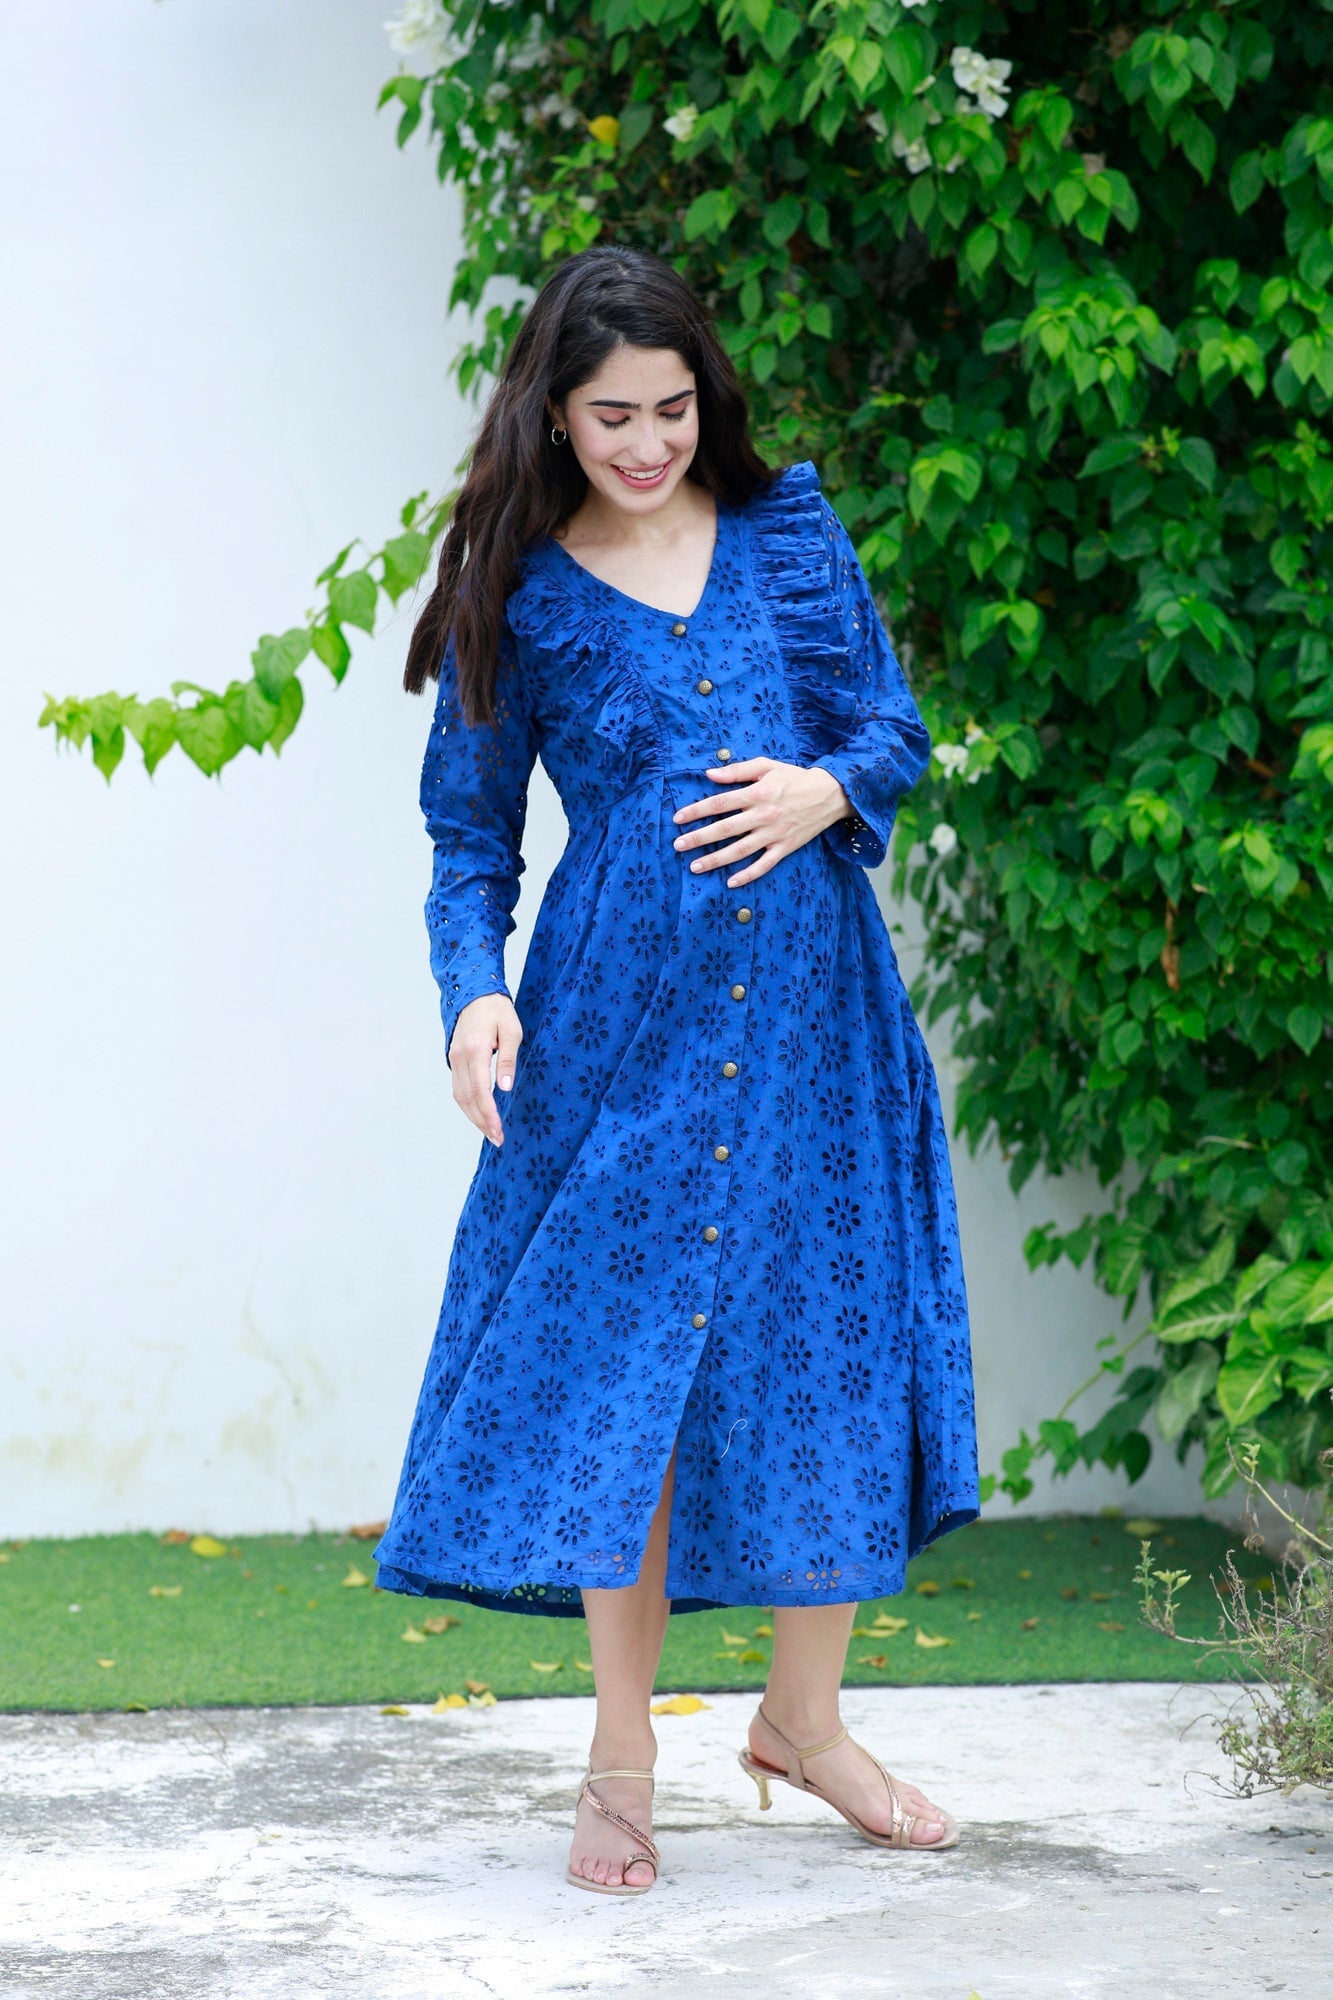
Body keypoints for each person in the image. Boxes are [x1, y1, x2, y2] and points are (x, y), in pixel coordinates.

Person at [373, 243, 979, 1894]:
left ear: (704, 396)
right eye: (611, 416)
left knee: (819, 1347)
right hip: (613, 1040)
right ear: (552, 419)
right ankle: (621, 1756)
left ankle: (804, 1720)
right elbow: (467, 841)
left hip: (812, 1029)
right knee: (622, 1390)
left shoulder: (788, 535)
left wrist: (821, 791)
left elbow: (889, 729)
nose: (647, 442)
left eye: (670, 407)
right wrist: (470, 999)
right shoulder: (519, 591)